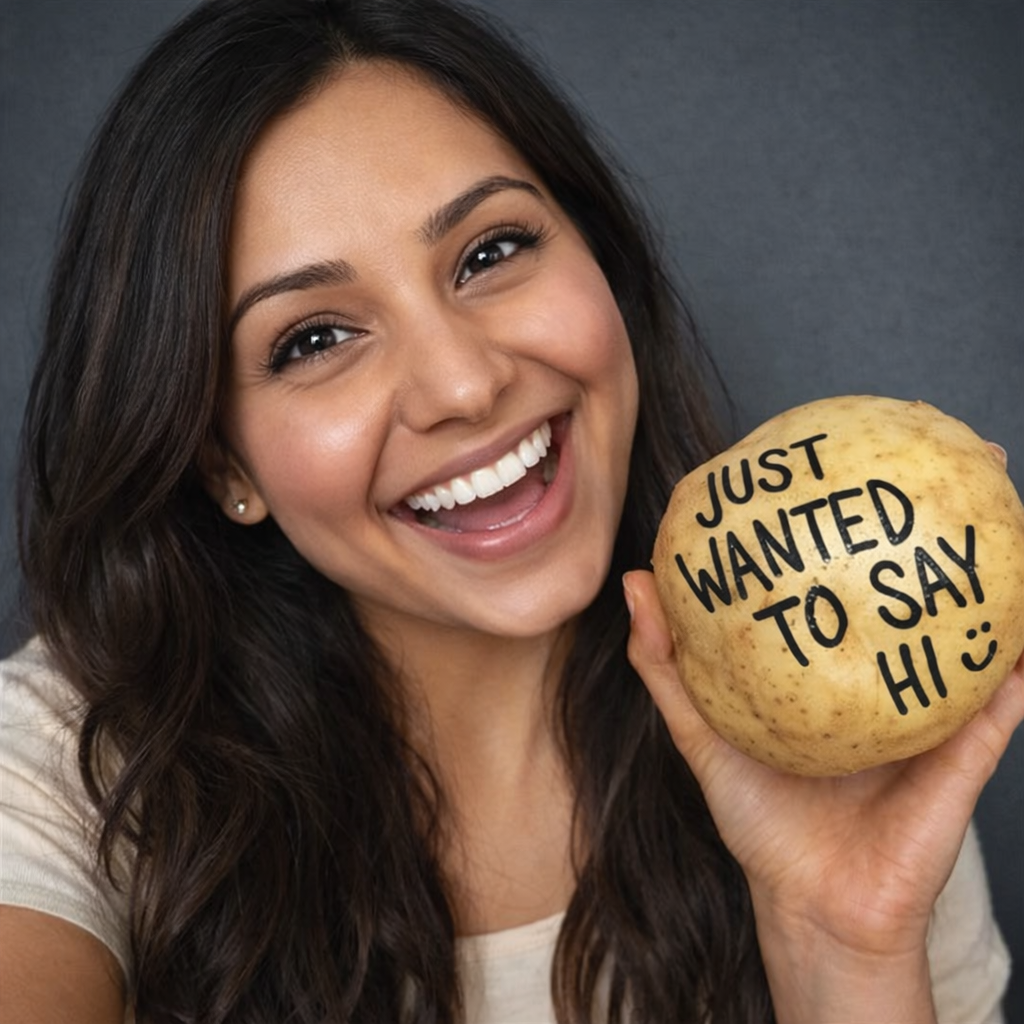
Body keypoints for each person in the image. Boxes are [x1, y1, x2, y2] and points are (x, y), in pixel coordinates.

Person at [1, 0, 1021, 1021]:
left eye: (489, 253)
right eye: (313, 338)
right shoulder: (59, 773)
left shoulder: (839, 696)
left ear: (602, 263)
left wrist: (839, 941)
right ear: (223, 459)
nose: (461, 384)